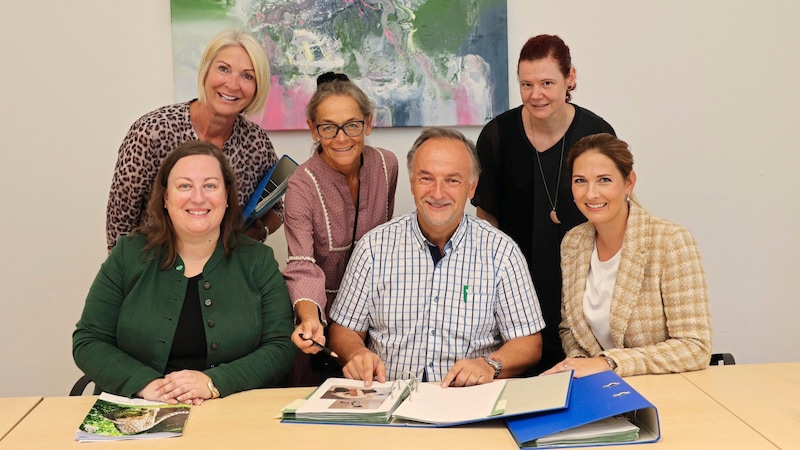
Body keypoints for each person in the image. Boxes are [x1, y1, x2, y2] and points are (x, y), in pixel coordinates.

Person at [74, 141, 295, 404]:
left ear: (226, 197)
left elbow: (281, 346)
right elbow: (89, 340)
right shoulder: (129, 254)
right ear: (166, 198)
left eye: (210, 186)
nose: (198, 197)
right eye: (184, 186)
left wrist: (215, 383)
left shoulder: (257, 260)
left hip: (230, 412)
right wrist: (146, 385)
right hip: (141, 408)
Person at [328, 127, 545, 387]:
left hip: (468, 402)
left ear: (472, 187)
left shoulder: (502, 252)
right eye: (426, 178)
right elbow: (344, 329)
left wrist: (489, 364)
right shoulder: (373, 248)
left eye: (452, 180)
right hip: (389, 400)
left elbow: (529, 343)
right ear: (411, 183)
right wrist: (356, 352)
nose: (438, 193)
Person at [472, 35, 616, 374]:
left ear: (570, 79)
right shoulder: (496, 136)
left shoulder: (597, 133)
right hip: (514, 289)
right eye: (527, 84)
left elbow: (613, 218)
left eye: (547, 83)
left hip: (582, 288)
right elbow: (486, 220)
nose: (536, 94)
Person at [541, 133, 712, 378]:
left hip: (665, 389)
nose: (591, 194)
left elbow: (695, 347)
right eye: (580, 181)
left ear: (628, 182)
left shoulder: (670, 242)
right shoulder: (573, 242)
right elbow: (570, 328)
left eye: (604, 180)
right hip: (600, 390)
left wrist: (608, 363)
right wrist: (578, 365)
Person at [106, 30, 282, 252]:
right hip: (154, 271)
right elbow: (119, 223)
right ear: (206, 72)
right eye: (223, 69)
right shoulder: (151, 132)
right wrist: (128, 280)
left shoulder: (256, 142)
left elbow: (277, 209)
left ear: (258, 87)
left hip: (224, 273)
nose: (232, 84)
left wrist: (258, 231)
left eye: (247, 76)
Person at [282, 72, 398, 386]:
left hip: (376, 320)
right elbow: (302, 266)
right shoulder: (301, 186)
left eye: (352, 125)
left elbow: (386, 244)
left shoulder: (388, 166)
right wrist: (310, 319)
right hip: (323, 319)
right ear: (313, 129)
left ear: (368, 123)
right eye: (328, 127)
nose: (342, 137)